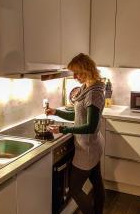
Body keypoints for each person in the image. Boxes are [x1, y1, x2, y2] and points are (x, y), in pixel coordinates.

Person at [46, 53, 105, 214]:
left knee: (74, 189)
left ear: (87, 70)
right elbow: (78, 115)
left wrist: (63, 129)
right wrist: (56, 112)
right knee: (97, 183)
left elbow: (90, 126)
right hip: (94, 145)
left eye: (77, 73)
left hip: (87, 148)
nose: (74, 76)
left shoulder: (94, 93)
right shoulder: (89, 86)